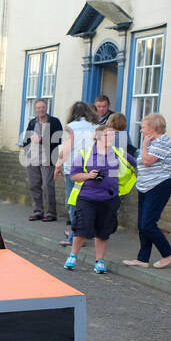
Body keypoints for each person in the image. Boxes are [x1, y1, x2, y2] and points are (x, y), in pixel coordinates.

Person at [63, 119, 124, 274]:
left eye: (112, 136)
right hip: (87, 198)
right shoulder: (84, 153)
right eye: (107, 136)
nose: (110, 139)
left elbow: (135, 165)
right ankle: (72, 256)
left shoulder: (118, 153)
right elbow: (74, 176)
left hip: (109, 199)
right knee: (82, 228)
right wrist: (89, 175)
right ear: (97, 137)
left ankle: (99, 261)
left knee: (103, 232)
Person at [125, 112, 171, 269]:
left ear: (153, 128)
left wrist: (143, 146)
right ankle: (143, 258)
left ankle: (169, 254)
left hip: (158, 187)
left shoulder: (163, 142)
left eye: (143, 127)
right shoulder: (151, 142)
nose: (141, 131)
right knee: (142, 224)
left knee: (148, 224)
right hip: (145, 187)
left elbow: (147, 161)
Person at [54, 101, 98, 247]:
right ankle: (86, 233)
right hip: (92, 169)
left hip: (74, 169)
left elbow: (65, 150)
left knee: (73, 203)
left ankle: (75, 237)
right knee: (88, 203)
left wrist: (58, 166)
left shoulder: (70, 128)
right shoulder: (96, 127)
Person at [19, 99, 63, 221]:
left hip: (48, 158)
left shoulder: (54, 122)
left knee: (47, 186)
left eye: (43, 107)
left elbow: (58, 139)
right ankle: (38, 211)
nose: (41, 110)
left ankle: (51, 213)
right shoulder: (32, 122)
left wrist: (42, 140)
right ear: (35, 109)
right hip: (33, 159)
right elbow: (26, 139)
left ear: (46, 108)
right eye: (38, 108)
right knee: (34, 185)